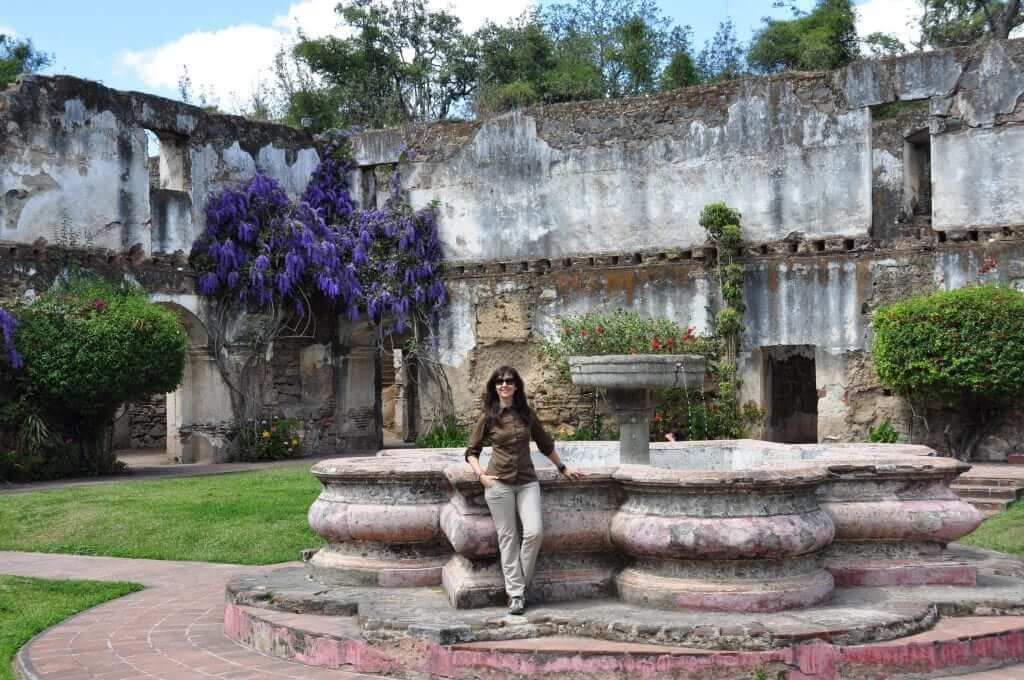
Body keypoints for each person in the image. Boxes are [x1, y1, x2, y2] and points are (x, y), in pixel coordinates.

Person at [464, 365, 580, 616]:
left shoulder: (527, 414)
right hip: (499, 485)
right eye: (499, 381)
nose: (504, 385)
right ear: (494, 387)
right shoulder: (488, 416)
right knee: (508, 539)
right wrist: (481, 475)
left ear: (516, 386)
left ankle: (519, 584)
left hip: (527, 482)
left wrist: (562, 467)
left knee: (534, 532)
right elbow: (471, 452)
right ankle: (516, 595)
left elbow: (545, 444)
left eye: (509, 381)